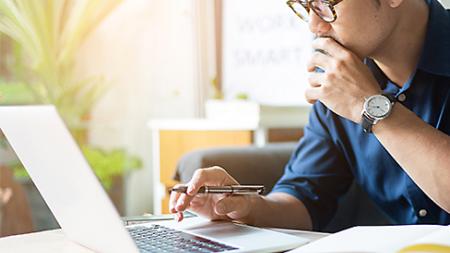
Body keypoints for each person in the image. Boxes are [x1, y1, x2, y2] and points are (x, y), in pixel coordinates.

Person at [169, 0, 450, 231]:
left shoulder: (349, 88)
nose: (314, 25)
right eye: (305, 6)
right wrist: (244, 206)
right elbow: (305, 197)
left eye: (326, 4)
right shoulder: (339, 79)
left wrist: (370, 107)